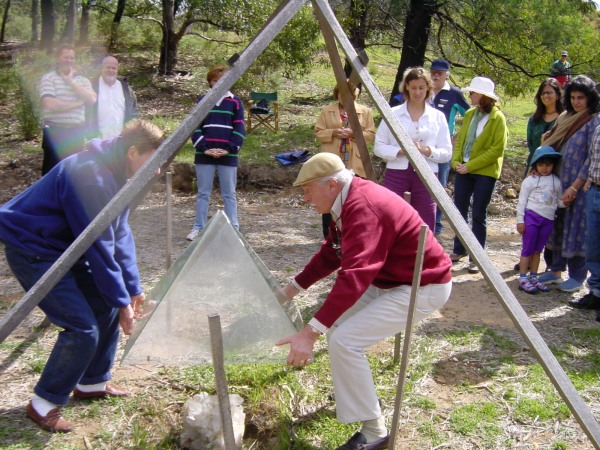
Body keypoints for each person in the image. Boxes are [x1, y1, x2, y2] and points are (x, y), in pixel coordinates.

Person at [275, 153, 452, 450]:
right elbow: (332, 253)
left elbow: (355, 275)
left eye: (307, 190)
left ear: (332, 184)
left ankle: (374, 432)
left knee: (344, 340)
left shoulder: (364, 206)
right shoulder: (346, 199)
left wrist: (309, 332)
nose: (305, 198)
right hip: (391, 281)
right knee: (339, 328)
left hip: (423, 285)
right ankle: (360, 396)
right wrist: (289, 291)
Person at [0, 120, 165, 433]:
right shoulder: (91, 176)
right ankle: (43, 404)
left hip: (65, 247)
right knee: (81, 328)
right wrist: (122, 302)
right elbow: (100, 248)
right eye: (153, 161)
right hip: (33, 248)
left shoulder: (117, 173)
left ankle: (92, 383)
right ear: (132, 152)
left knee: (104, 304)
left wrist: (132, 289)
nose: (157, 171)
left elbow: (121, 232)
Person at [539, 75, 600, 292]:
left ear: (590, 98)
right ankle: (555, 270)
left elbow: (590, 158)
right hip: (557, 181)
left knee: (577, 230)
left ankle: (577, 276)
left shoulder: (593, 121)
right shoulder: (566, 117)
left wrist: (575, 185)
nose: (576, 102)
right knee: (557, 226)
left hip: (578, 186)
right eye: (573, 97)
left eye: (581, 98)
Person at [374, 67, 452, 230]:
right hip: (397, 172)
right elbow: (378, 147)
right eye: (414, 87)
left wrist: (426, 150)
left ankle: (423, 254)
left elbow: (446, 152)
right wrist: (401, 151)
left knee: (425, 219)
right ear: (406, 87)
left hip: (427, 173)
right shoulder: (392, 113)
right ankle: (391, 254)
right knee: (391, 215)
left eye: (421, 88)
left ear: (428, 89)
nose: (417, 92)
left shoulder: (438, 117)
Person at [449, 77, 508, 274]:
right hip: (464, 168)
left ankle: (477, 255)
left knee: (478, 213)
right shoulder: (469, 114)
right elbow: (460, 141)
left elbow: (497, 149)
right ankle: (459, 249)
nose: (469, 95)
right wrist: (456, 162)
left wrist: (471, 166)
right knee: (459, 209)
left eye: (473, 92)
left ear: (483, 96)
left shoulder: (498, 118)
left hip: (484, 171)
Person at [187, 64, 245, 241]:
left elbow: (239, 128)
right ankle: (199, 227)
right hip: (205, 154)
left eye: (223, 81)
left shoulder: (235, 102)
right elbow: (194, 127)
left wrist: (227, 149)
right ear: (210, 83)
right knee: (203, 193)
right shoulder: (202, 101)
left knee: (229, 193)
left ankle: (233, 228)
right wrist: (205, 147)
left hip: (228, 156)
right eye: (215, 81)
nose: (218, 84)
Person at [314, 80, 376, 237]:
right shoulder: (327, 111)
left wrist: (353, 133)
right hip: (333, 163)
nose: (345, 96)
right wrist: (334, 132)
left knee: (354, 199)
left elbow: (370, 136)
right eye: (342, 93)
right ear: (337, 93)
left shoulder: (365, 111)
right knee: (330, 197)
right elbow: (318, 133)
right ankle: (329, 235)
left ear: (355, 94)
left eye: (349, 93)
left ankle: (354, 234)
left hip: (355, 163)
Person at [40, 43, 97, 175]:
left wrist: (71, 82)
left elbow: (92, 99)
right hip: (55, 132)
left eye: (72, 58)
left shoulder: (83, 81)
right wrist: (78, 103)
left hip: (76, 133)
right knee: (51, 173)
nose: (69, 61)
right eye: (66, 57)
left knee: (73, 173)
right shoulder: (49, 78)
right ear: (57, 59)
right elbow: (50, 104)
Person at [428, 58, 470, 236]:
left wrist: (457, 138)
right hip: (421, 147)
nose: (436, 75)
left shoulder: (454, 93)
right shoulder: (424, 90)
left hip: (443, 148)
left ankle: (436, 226)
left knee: (439, 186)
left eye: (440, 72)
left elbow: (469, 116)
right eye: (433, 72)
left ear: (447, 75)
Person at [516, 146, 564, 294]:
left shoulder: (556, 181)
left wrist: (566, 201)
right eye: (541, 165)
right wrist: (520, 220)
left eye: (548, 165)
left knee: (537, 250)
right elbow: (522, 201)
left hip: (548, 219)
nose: (544, 168)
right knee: (527, 249)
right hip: (532, 216)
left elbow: (558, 202)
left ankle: (533, 277)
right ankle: (523, 277)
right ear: (535, 165)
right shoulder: (530, 180)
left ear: (553, 165)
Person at [570, 123, 600, 316]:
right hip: (595, 190)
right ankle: (596, 292)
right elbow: (592, 157)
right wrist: (589, 179)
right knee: (593, 245)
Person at [88, 55, 139, 139]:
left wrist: (130, 133)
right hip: (97, 140)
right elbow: (85, 112)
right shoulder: (92, 86)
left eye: (113, 68)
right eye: (108, 67)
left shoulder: (126, 89)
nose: (111, 70)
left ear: (117, 70)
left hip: (121, 140)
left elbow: (134, 112)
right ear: (102, 68)